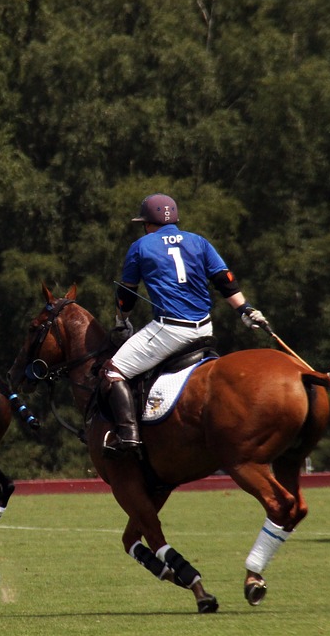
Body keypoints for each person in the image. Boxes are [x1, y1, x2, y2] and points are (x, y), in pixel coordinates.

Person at [102, 193, 270, 456]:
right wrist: (245, 310)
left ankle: (129, 436)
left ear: (147, 222)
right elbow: (225, 281)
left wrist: (121, 321)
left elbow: (126, 294)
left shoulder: (141, 246)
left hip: (170, 330)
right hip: (205, 328)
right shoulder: (199, 241)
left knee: (113, 371)